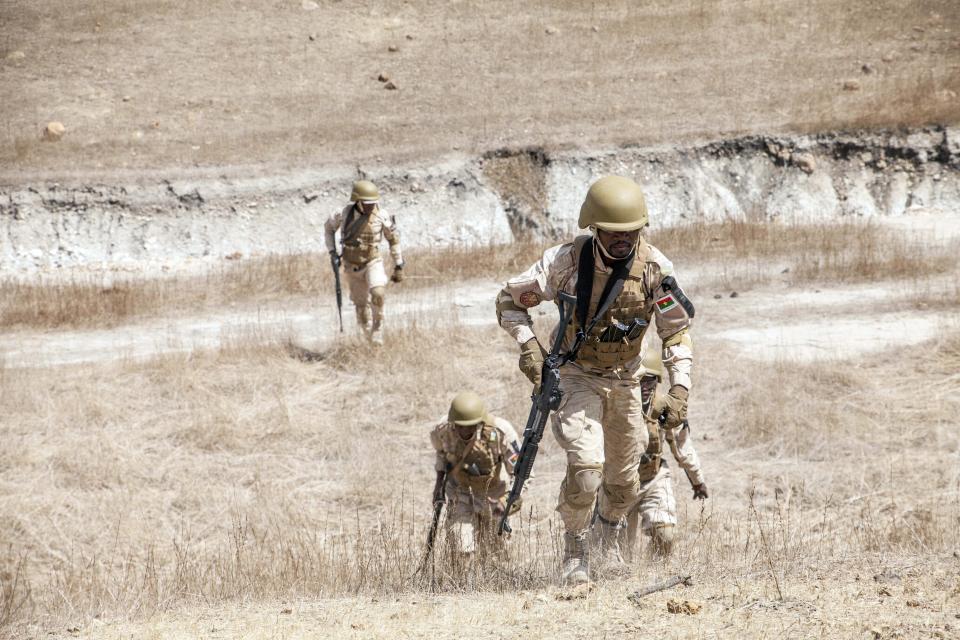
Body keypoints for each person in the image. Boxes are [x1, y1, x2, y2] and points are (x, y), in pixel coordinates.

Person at [495, 175, 695, 585]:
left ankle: (608, 548)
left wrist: (678, 388)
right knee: (587, 468)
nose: (624, 241)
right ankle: (575, 552)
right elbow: (507, 301)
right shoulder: (564, 263)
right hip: (575, 374)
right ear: (595, 229)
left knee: (624, 484)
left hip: (626, 380)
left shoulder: (655, 268)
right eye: (614, 234)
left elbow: (675, 331)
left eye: (632, 233)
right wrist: (530, 346)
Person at [622, 351, 708, 560]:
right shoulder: (616, 407)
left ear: (657, 381)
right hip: (620, 483)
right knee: (618, 551)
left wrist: (697, 480)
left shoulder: (664, 409)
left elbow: (682, 447)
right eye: (640, 380)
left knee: (665, 535)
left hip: (653, 478)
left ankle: (655, 574)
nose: (644, 386)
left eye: (650, 380)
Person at [430, 392, 522, 559]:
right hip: (460, 493)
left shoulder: (501, 432)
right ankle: (463, 584)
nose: (464, 430)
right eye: (460, 425)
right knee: (461, 548)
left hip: (494, 495)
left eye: (470, 425)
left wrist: (507, 501)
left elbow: (522, 472)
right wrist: (438, 486)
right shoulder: (442, 430)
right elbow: (441, 454)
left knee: (498, 552)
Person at [324, 180, 403, 344]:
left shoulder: (381, 214)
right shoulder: (343, 214)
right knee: (361, 309)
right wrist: (332, 251)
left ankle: (378, 328)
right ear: (357, 201)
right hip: (351, 266)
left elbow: (393, 239)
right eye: (367, 203)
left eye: (373, 203)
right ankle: (370, 340)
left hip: (372, 261)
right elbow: (328, 229)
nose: (370, 206)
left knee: (378, 294)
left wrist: (399, 264)